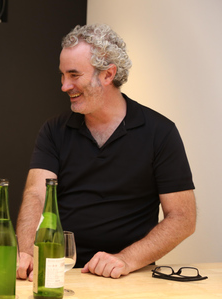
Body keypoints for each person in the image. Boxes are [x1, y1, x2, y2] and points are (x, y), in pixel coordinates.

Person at [16, 24, 196, 279]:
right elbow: (36, 194)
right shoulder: (54, 130)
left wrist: (126, 259)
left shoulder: (160, 132)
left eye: (74, 75)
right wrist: (28, 253)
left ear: (108, 75)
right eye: (62, 75)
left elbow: (183, 218)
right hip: (62, 270)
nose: (64, 86)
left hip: (130, 275)